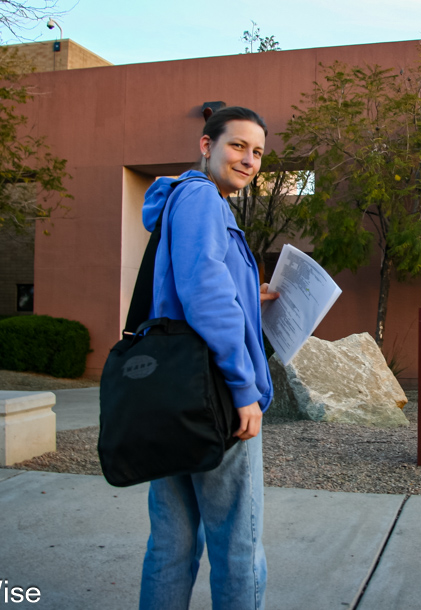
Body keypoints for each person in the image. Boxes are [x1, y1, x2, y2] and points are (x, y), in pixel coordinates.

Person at [138, 106, 277, 610]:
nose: (248, 159)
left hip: (176, 395)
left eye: (257, 152)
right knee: (237, 548)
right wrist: (244, 390)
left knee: (172, 544)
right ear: (206, 145)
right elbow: (204, 295)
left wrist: (248, 290)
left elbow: (196, 285)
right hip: (215, 398)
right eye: (237, 145)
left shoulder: (180, 200)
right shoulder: (203, 199)